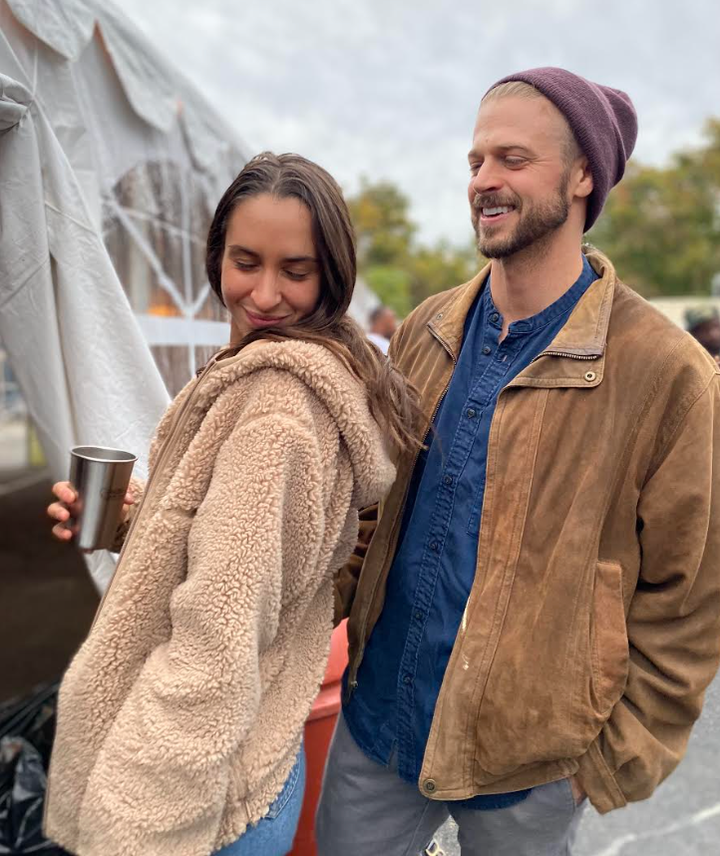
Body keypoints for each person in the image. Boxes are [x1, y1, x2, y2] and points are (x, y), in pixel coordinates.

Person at [317, 67, 720, 856]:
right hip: (377, 730)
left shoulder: (666, 373)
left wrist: (606, 761)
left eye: (512, 159)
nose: (484, 181)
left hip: (530, 767)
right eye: (475, 162)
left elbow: (692, 591)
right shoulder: (426, 329)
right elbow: (367, 515)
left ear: (582, 176)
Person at [43, 152, 421, 856]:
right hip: (251, 762)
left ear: (330, 276)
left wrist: (136, 822)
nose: (266, 294)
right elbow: (250, 561)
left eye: (295, 271)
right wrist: (135, 523)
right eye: (246, 261)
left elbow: (218, 636)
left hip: (196, 797)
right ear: (216, 254)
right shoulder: (270, 372)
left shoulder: (274, 406)